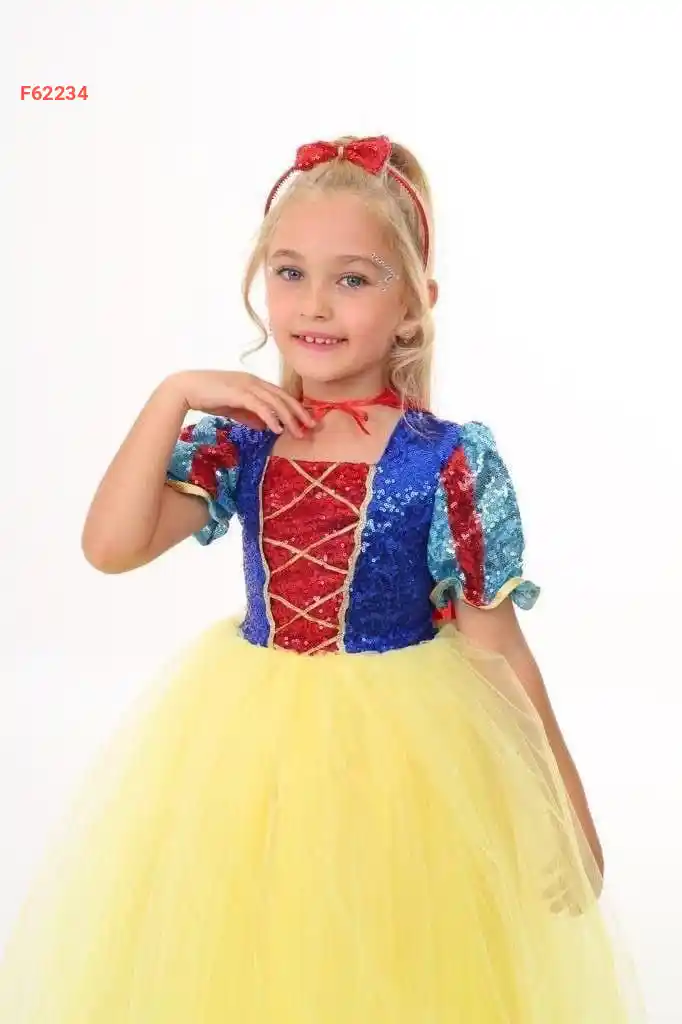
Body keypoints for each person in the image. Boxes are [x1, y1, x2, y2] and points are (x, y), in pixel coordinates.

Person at [0, 135, 643, 1022]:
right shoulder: (245, 441)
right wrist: (171, 394)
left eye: (354, 279)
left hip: (406, 758)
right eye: (290, 272)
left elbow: (499, 650)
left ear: (414, 306)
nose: (315, 304)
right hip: (252, 748)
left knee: (388, 953)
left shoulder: (445, 460)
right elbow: (111, 547)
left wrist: (568, 811)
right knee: (262, 950)